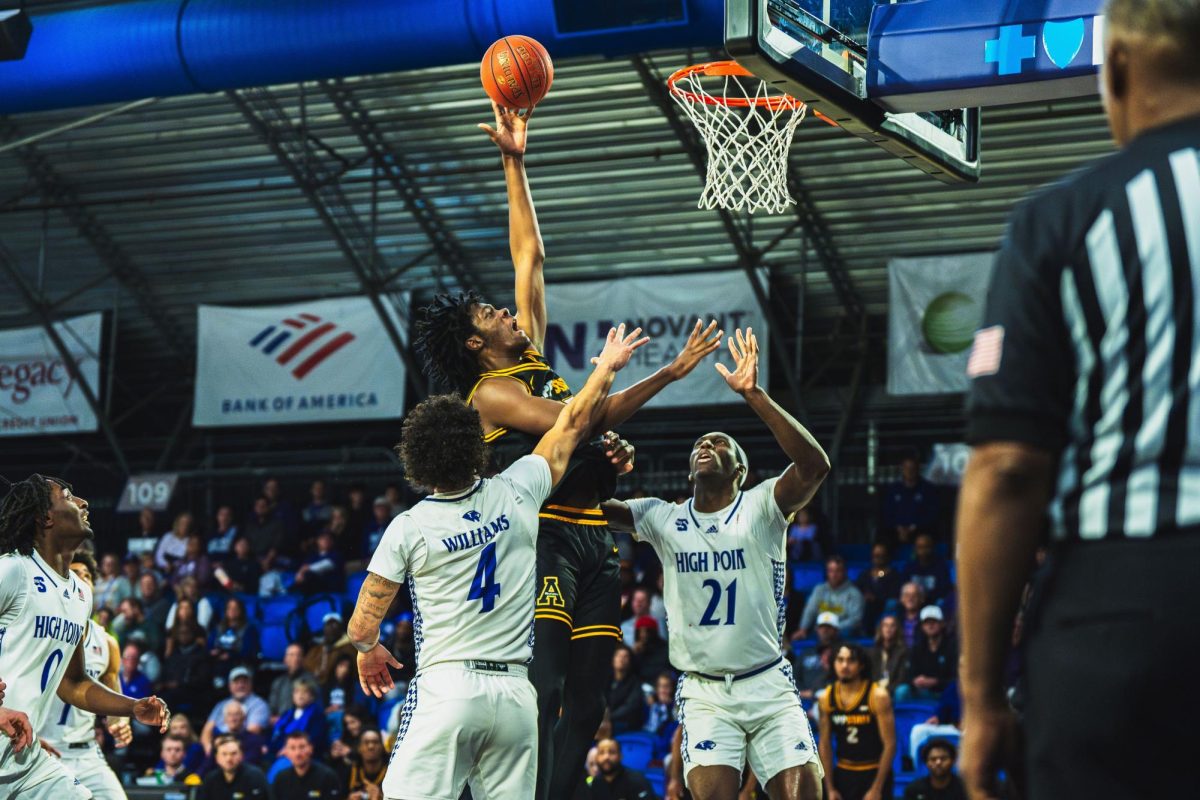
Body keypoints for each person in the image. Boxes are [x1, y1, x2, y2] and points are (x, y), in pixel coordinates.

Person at [414, 102, 724, 800]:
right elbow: (581, 417)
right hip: (543, 538)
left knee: (590, 702)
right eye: (490, 316)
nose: (504, 312)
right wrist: (657, 375)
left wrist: (513, 160)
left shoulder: (526, 356)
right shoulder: (491, 393)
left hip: (593, 537)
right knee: (544, 688)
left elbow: (530, 255)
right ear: (475, 345)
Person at [957, 4, 1200, 799]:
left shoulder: (1065, 219)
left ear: (1120, 67)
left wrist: (982, 696)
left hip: (1127, 612)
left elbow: (1008, 467)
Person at [347, 323, 647, 800]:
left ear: (417, 464)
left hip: (447, 689)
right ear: (474, 446)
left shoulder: (408, 525)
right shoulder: (518, 489)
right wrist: (606, 369)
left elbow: (362, 627)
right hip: (513, 698)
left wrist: (368, 652)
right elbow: (570, 424)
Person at [603, 328, 829, 800]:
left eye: (721, 443)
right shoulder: (662, 517)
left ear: (741, 471)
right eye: (701, 443)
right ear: (689, 470)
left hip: (767, 681)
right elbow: (592, 510)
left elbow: (814, 466)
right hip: (705, 693)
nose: (707, 445)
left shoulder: (762, 505)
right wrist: (599, 457)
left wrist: (754, 395)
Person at [0, 475, 168, 798]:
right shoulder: (14, 570)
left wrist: (132, 707)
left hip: (25, 756)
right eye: (67, 496)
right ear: (44, 516)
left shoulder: (80, 595)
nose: (82, 503)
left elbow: (74, 684)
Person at [40, 550, 133, 800]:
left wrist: (120, 723)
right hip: (42, 749)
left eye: (88, 575)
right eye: (74, 574)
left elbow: (113, 699)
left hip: (87, 752)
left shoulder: (108, 643)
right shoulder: (42, 630)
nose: (82, 580)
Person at [818, 643, 895, 800]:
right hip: (843, 773)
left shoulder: (878, 695)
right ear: (833, 663)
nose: (844, 665)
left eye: (851, 660)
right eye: (840, 660)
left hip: (874, 771)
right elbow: (824, 745)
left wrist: (877, 788)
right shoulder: (826, 698)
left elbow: (890, 744)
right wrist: (829, 788)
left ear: (861, 665)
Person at [202, 666, 270, 754]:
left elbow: (252, 731)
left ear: (251, 684)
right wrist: (208, 747)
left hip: (242, 747)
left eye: (244, 682)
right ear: (230, 686)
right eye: (236, 682)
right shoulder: (221, 705)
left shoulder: (259, 705)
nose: (240, 685)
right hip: (218, 747)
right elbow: (206, 731)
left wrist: (221, 743)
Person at [896, 606, 955, 703]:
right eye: (927, 622)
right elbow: (909, 674)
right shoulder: (917, 648)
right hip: (922, 690)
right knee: (902, 691)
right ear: (922, 626)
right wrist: (915, 681)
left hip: (944, 692)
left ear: (942, 624)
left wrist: (935, 682)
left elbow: (955, 678)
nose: (930, 625)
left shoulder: (952, 646)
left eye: (934, 622)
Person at [796, 556, 865, 639]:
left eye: (838, 571)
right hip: (820, 634)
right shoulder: (819, 590)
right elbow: (810, 610)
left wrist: (833, 628)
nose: (834, 575)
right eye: (831, 571)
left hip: (844, 635)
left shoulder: (854, 593)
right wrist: (803, 628)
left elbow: (855, 620)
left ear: (845, 572)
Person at [574, 737, 660, 800]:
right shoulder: (595, 783)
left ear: (620, 756)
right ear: (596, 758)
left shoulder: (637, 780)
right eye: (601, 753)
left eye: (612, 752)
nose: (606, 757)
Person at [881, 454, 938, 546]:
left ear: (918, 469)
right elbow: (887, 513)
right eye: (907, 468)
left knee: (924, 540)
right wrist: (899, 528)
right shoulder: (893, 489)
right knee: (882, 538)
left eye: (912, 468)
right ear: (902, 469)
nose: (910, 471)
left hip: (920, 530)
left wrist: (912, 528)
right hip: (896, 531)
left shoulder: (928, 489)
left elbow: (931, 514)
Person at [197, 700, 267, 771]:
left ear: (244, 717)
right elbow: (207, 765)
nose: (233, 718)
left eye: (237, 714)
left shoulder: (254, 740)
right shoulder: (218, 740)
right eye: (229, 714)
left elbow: (246, 765)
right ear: (224, 719)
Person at [268, 676, 328, 757]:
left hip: (303, 755)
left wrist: (289, 750)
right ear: (293, 696)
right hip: (279, 752)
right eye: (297, 692)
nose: (300, 695)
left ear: (312, 696)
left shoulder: (317, 715)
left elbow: (314, 740)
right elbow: (278, 735)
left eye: (305, 692)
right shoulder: (288, 714)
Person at [271, 730, 341, 799]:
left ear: (311, 749)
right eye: (292, 748)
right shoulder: (281, 778)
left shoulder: (327, 777)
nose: (297, 753)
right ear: (286, 752)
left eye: (302, 747)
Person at [197, 735, 270, 800]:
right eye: (224, 754)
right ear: (217, 758)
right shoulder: (210, 779)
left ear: (241, 756)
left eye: (234, 754)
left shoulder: (255, 776)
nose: (229, 759)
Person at [854, 542, 904, 630]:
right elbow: (857, 589)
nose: (879, 558)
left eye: (882, 555)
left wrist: (876, 598)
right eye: (876, 555)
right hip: (867, 606)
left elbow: (895, 595)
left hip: (884, 606)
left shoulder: (894, 575)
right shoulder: (865, 574)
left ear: (887, 556)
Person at [209, 595, 260, 677]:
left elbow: (248, 651)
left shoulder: (249, 629)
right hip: (218, 662)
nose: (232, 610)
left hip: (239, 663)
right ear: (225, 611)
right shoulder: (218, 628)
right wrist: (214, 652)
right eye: (229, 608)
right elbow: (209, 646)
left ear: (241, 611)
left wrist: (231, 655)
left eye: (235, 608)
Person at [902, 739, 966, 800]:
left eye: (943, 759)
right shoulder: (914, 790)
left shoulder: (965, 789)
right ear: (926, 763)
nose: (938, 763)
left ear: (953, 761)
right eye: (933, 759)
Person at [269, 642, 317, 722]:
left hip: (302, 723)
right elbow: (272, 708)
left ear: (303, 659)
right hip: (280, 723)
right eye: (291, 655)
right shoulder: (278, 682)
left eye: (298, 655)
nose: (295, 659)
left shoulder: (311, 681)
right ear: (285, 659)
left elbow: (316, 707)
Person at [900, 532, 952, 604]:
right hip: (913, 602)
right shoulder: (909, 567)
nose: (923, 551)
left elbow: (943, 590)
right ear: (915, 549)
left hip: (933, 603)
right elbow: (904, 587)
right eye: (920, 547)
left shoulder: (941, 567)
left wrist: (925, 597)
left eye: (926, 547)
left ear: (932, 548)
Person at [605, 645, 645, 735]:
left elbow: (631, 706)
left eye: (625, 656)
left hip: (624, 724)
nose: (621, 659)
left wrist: (610, 717)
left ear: (630, 661)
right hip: (605, 721)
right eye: (618, 656)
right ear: (613, 659)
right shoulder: (605, 680)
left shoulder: (635, 682)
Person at [867, 613, 909, 695]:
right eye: (885, 625)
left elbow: (901, 679)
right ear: (881, 629)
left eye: (892, 626)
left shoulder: (903, 652)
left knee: (902, 690)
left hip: (892, 689)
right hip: (875, 689)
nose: (888, 629)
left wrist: (885, 689)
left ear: (897, 629)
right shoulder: (873, 651)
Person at [294, 529, 345, 595]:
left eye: (329, 539)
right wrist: (300, 573)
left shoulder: (336, 555)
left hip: (331, 587)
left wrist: (305, 569)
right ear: (317, 541)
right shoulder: (312, 556)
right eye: (323, 538)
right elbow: (302, 569)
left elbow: (326, 565)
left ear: (333, 542)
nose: (326, 541)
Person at [344, 727, 388, 800]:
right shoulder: (350, 770)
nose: (371, 746)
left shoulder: (391, 771)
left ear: (382, 747)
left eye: (375, 742)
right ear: (359, 748)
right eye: (366, 742)